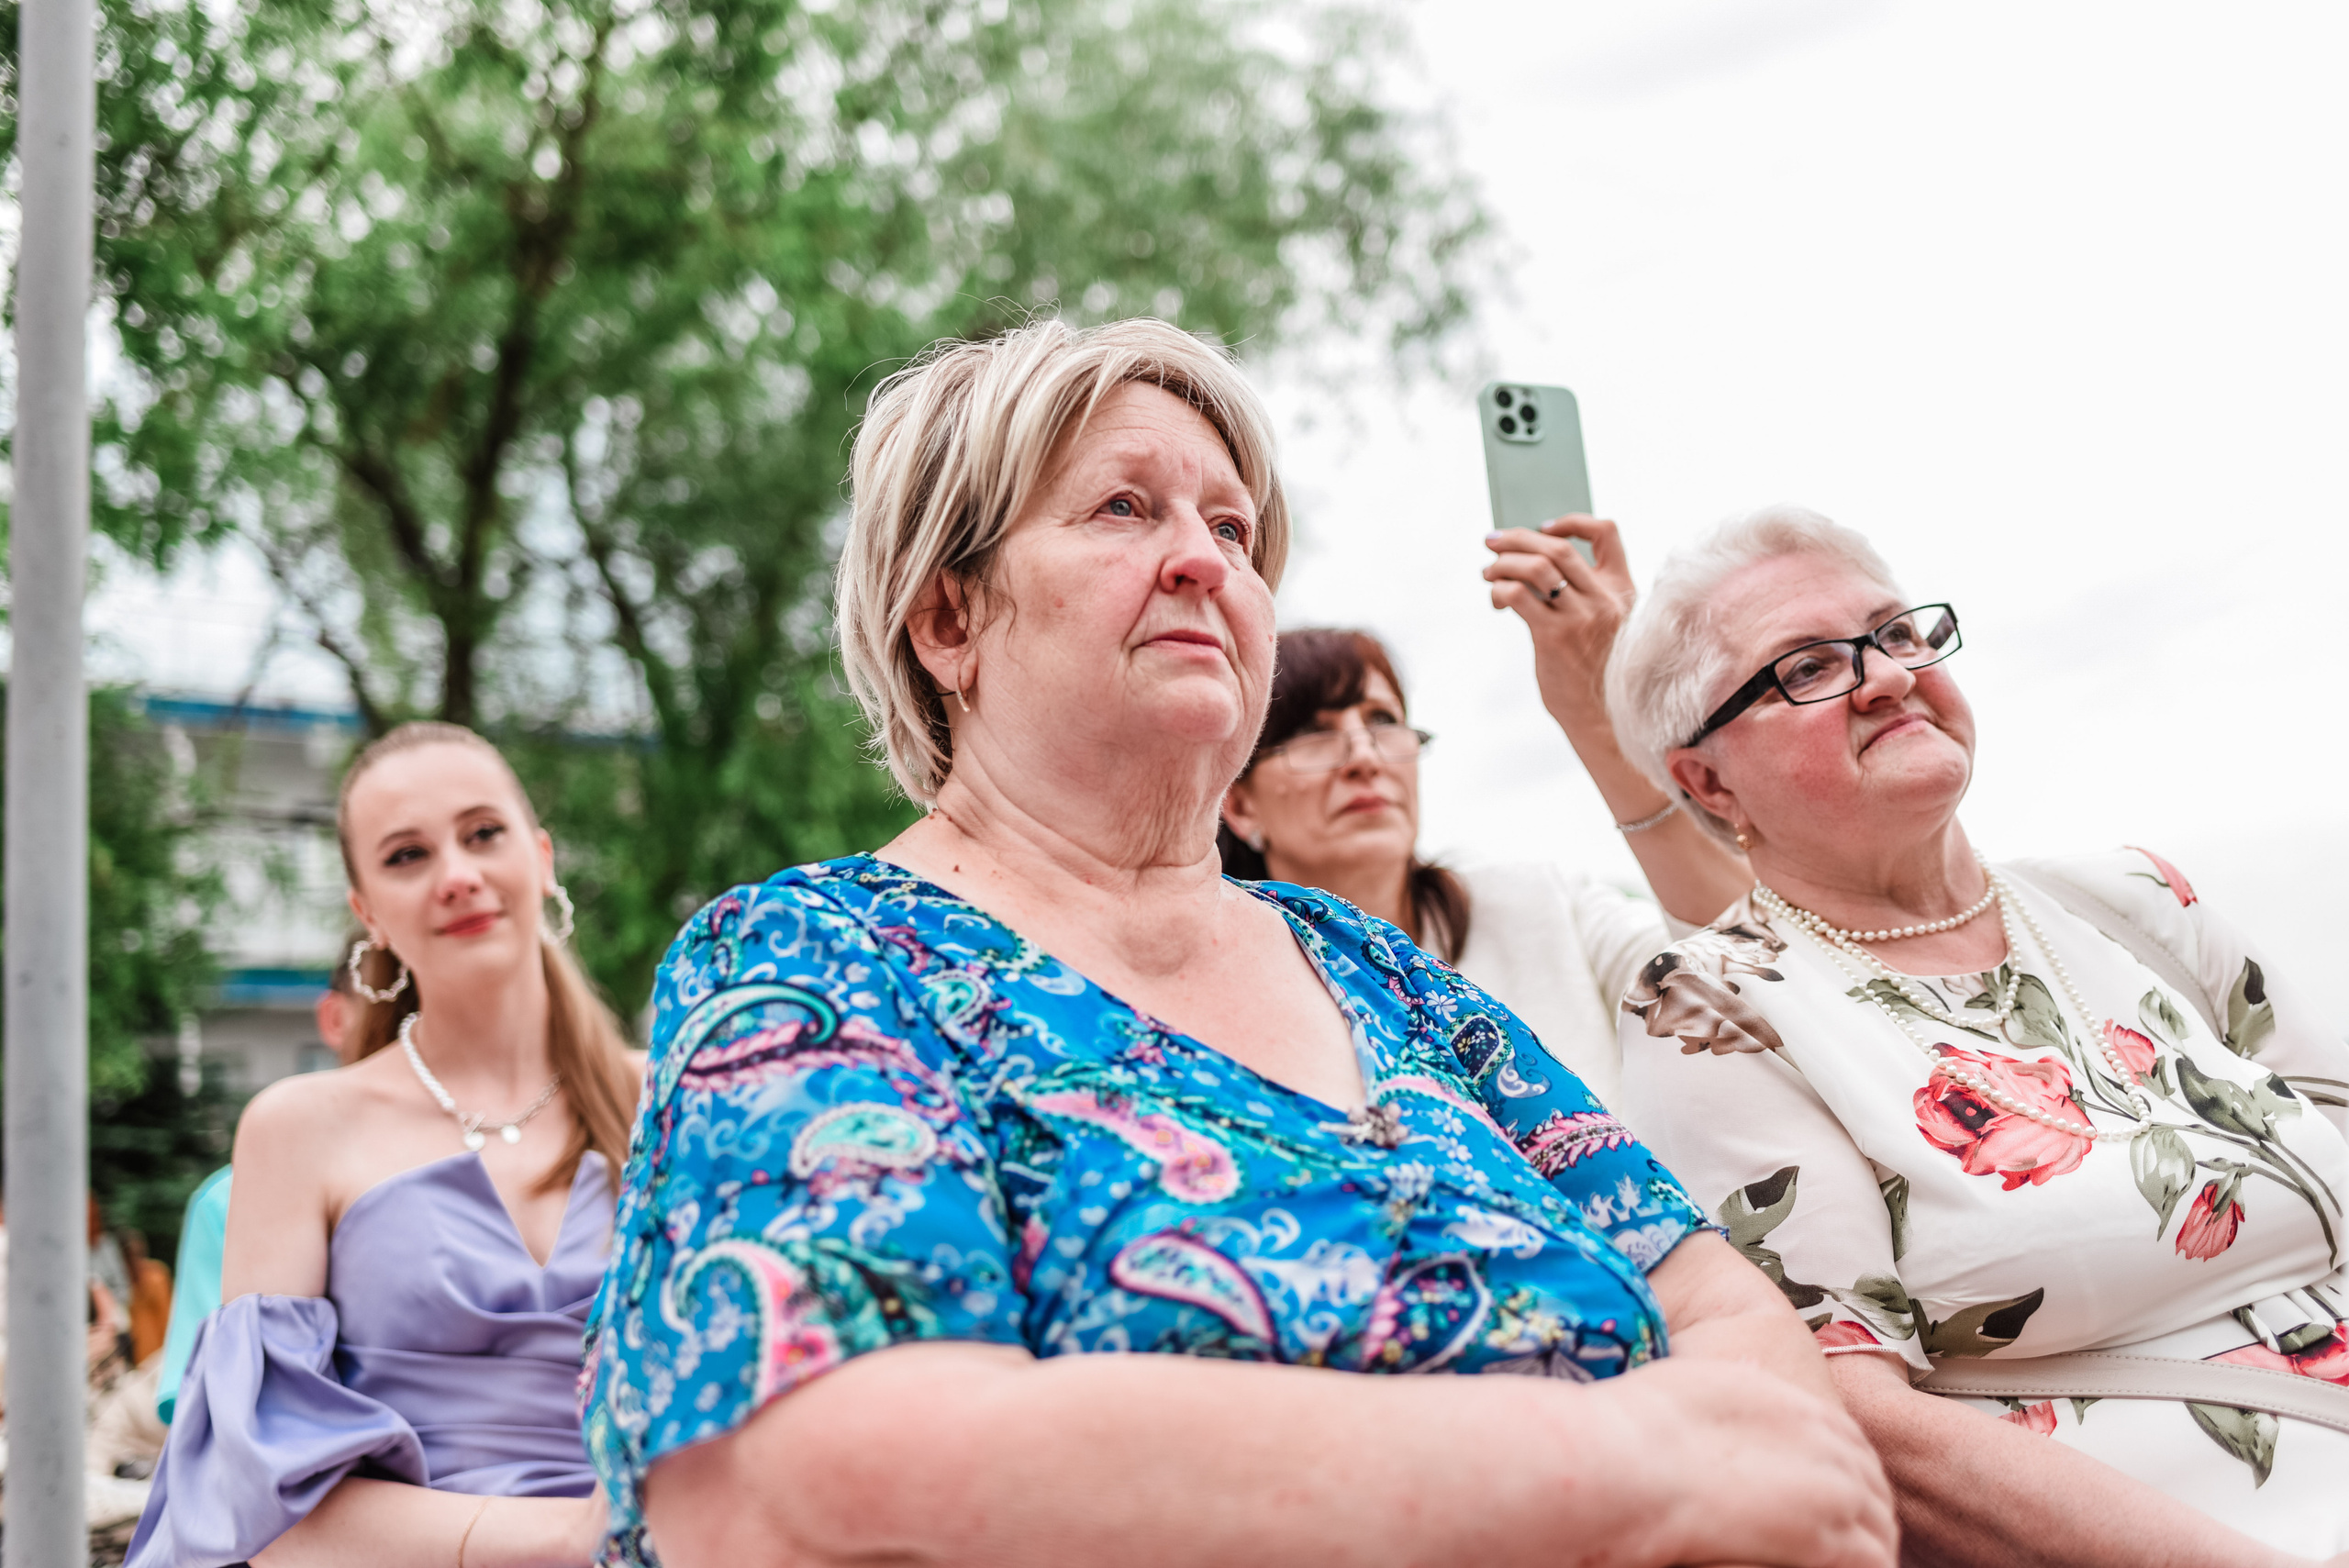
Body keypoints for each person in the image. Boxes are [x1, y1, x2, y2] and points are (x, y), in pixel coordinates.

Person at [575, 317, 1897, 1568]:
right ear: (950, 622)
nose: (1207, 559)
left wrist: (1776, 1490)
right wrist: (1625, 1465)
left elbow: (1712, 1298)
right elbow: (813, 1465)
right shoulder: (822, 958)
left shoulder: (1374, 968)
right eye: (1123, 508)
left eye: (1232, 528)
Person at [1607, 505, 2349, 1565]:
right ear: (1707, 781)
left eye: (1896, 633)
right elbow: (1849, 1412)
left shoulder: (2132, 898)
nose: (1887, 675)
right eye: (1808, 665)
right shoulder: (1715, 1005)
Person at [128, 722, 640, 1568]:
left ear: (542, 857)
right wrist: (567, 1537)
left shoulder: (672, 1094)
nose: (458, 875)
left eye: (484, 833)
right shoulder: (299, 1128)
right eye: (407, 855)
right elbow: (264, 1515)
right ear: (367, 910)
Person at [1219, 616, 1750, 1103]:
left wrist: (1600, 720)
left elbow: (1739, 969)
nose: (1365, 756)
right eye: (1314, 734)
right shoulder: (1224, 1001)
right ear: (1239, 805)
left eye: (1383, 721)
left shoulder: (1542, 905)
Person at [155, 957, 365, 1427]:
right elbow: (207, 1415)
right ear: (334, 1018)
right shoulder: (231, 1201)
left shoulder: (529, 1179)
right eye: (396, 1003)